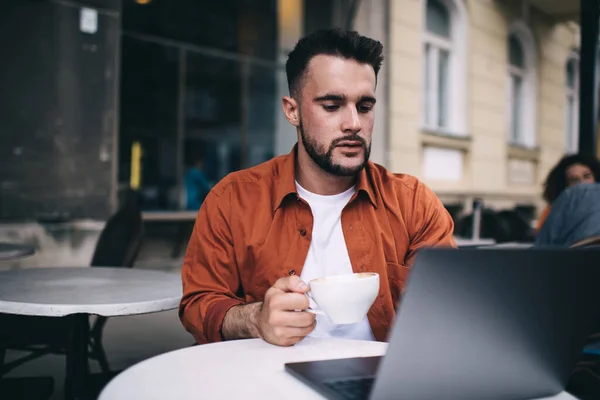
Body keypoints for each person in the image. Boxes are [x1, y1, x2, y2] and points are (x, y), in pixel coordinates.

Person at [179, 29, 456, 347]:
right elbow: (198, 304)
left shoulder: (412, 203)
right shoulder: (233, 199)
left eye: (364, 107)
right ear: (292, 110)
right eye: (331, 105)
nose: (353, 123)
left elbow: (447, 309)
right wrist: (255, 319)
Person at [535, 154, 600, 233]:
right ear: (565, 186)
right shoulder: (555, 212)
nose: (582, 183)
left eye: (587, 176)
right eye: (574, 180)